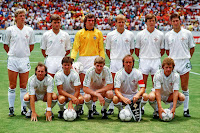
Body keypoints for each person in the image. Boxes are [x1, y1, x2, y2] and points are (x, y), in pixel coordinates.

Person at [71, 13, 105, 115]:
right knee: (82, 85)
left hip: (95, 59)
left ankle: (93, 108)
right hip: (83, 60)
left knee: (92, 85)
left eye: (92, 21)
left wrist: (102, 60)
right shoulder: (79, 33)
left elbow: (101, 48)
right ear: (85, 22)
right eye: (89, 21)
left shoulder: (98, 33)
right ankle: (79, 107)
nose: (91, 22)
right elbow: (75, 48)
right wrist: (72, 59)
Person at [3, 9, 35, 116]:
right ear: (16, 17)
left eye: (24, 16)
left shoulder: (29, 30)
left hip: (24, 60)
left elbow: (31, 46)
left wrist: (23, 54)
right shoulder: (9, 30)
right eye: (20, 16)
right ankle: (11, 108)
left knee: (23, 86)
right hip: (13, 60)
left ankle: (23, 108)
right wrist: (13, 54)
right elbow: (5, 45)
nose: (22, 17)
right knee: (12, 85)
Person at [165, 13, 195, 117]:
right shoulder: (168, 35)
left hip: (184, 62)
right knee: (172, 86)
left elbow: (192, 48)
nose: (175, 22)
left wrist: (187, 58)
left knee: (184, 86)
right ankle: (170, 108)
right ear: (171, 22)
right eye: (173, 21)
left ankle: (186, 110)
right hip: (173, 63)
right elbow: (167, 51)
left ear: (180, 21)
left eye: (177, 20)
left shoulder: (187, 33)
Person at [105, 14, 135, 115]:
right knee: (113, 85)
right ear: (116, 23)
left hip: (126, 63)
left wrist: (126, 60)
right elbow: (108, 50)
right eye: (119, 22)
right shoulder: (110, 35)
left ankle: (127, 105)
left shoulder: (130, 34)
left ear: (125, 22)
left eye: (123, 22)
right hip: (115, 62)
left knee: (125, 84)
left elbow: (131, 50)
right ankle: (112, 107)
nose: (121, 24)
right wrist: (114, 58)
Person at [135, 13, 164, 114]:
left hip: (156, 60)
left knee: (156, 85)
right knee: (142, 85)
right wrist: (143, 57)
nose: (151, 22)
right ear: (146, 22)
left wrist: (155, 56)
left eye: (153, 20)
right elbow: (137, 50)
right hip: (144, 60)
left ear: (155, 22)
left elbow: (163, 50)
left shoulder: (160, 34)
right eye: (149, 21)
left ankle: (156, 109)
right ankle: (141, 108)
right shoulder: (140, 34)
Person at [113, 55, 148, 119]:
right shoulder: (118, 74)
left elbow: (142, 88)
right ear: (123, 63)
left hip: (134, 95)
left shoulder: (138, 73)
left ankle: (137, 108)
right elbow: (116, 90)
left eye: (130, 62)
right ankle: (121, 110)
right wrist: (123, 98)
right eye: (126, 62)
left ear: (133, 63)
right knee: (115, 98)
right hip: (123, 95)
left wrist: (137, 95)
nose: (128, 64)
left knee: (145, 96)